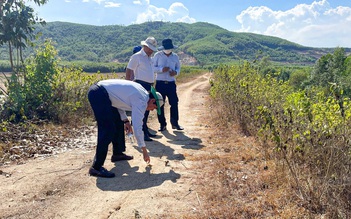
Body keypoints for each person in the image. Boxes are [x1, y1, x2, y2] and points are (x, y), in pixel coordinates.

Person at [87, 79, 164, 178]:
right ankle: (96, 167)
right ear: (153, 101)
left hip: (104, 94)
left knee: (118, 122)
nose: (152, 110)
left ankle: (117, 154)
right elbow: (137, 127)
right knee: (107, 129)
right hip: (98, 94)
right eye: (154, 107)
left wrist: (126, 121)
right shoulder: (141, 101)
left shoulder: (142, 93)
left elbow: (119, 102)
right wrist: (144, 151)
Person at [125, 37, 158, 141]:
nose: (151, 51)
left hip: (149, 86)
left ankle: (145, 130)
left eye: (152, 49)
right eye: (150, 48)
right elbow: (129, 71)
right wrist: (128, 86)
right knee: (141, 110)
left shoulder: (149, 58)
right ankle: (142, 134)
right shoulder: (137, 57)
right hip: (140, 85)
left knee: (147, 110)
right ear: (145, 46)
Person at [153, 39, 184, 131]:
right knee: (160, 104)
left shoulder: (175, 56)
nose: (168, 50)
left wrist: (176, 72)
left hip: (171, 83)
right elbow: (153, 67)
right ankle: (162, 124)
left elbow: (178, 68)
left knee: (174, 103)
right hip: (160, 83)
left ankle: (175, 123)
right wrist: (162, 69)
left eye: (169, 48)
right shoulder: (157, 55)